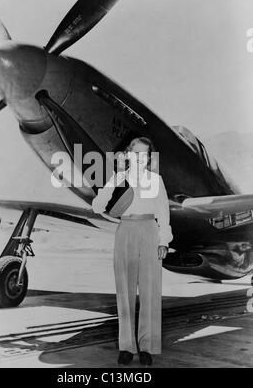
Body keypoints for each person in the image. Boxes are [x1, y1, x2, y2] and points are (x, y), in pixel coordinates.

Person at [92, 136, 173, 366]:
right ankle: (126, 347)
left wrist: (163, 241)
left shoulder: (156, 180)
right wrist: (111, 186)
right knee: (124, 292)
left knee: (150, 291)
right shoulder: (118, 179)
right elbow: (98, 207)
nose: (140, 158)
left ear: (149, 158)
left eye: (145, 155)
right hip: (125, 230)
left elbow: (163, 214)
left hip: (149, 230)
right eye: (135, 154)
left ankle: (147, 347)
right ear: (128, 155)